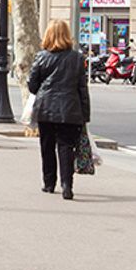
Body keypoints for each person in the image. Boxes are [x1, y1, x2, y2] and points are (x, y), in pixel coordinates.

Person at [27, 18, 91, 200]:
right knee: (66, 147)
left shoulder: (41, 57)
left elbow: (32, 86)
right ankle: (67, 186)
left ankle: (49, 183)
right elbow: (82, 88)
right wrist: (85, 115)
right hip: (70, 109)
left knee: (47, 147)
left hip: (45, 108)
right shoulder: (77, 58)